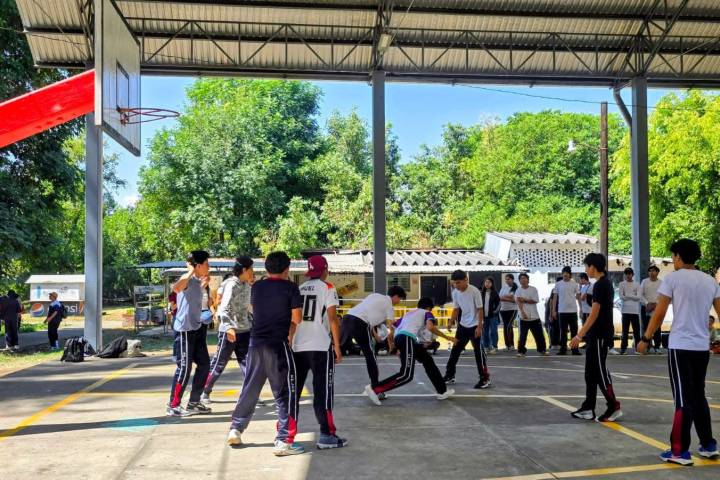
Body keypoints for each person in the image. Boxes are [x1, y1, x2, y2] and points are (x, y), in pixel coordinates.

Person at [637, 238, 720, 465]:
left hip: (680, 346)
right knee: (698, 394)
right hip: (701, 347)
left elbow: (660, 313)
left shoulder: (672, 279)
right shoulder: (710, 281)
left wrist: (645, 338)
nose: (673, 260)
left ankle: (679, 451)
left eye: (673, 256)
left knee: (683, 397)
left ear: (678, 257)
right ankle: (708, 444)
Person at [227, 251, 304, 456]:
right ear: (287, 269)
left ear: (267, 268)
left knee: (250, 388)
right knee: (285, 393)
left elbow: (253, 308)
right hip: (277, 345)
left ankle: (236, 428)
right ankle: (284, 441)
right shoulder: (290, 287)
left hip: (255, 344)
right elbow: (297, 318)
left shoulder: (257, 287)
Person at [292, 255, 348, 449]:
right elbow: (333, 319)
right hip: (320, 346)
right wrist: (337, 346)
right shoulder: (328, 288)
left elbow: (293, 320)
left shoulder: (299, 288)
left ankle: (286, 435)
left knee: (294, 392)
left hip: (298, 346)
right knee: (322, 391)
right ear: (325, 270)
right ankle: (326, 434)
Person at [366, 297, 457, 405]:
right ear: (429, 308)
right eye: (431, 309)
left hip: (403, 339)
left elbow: (391, 331)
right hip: (407, 339)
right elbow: (430, 327)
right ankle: (375, 389)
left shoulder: (408, 314)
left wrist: (393, 347)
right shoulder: (427, 313)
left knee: (428, 360)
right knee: (406, 375)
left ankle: (442, 391)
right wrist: (448, 338)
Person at [569, 253, 622, 423]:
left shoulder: (601, 285)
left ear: (593, 267)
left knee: (600, 371)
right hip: (595, 334)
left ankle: (613, 406)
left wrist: (579, 335)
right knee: (590, 373)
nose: (586, 270)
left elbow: (594, 313)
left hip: (600, 335)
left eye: (586, 267)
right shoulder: (602, 283)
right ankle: (588, 408)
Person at [201, 256, 254, 405]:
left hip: (244, 330)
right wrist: (229, 327)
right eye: (251, 269)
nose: (253, 272)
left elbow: (246, 308)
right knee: (219, 363)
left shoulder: (247, 285)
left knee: (248, 363)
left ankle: (251, 393)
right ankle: (204, 391)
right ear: (244, 270)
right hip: (229, 332)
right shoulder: (231, 284)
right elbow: (223, 309)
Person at [167, 250, 212, 417]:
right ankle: (173, 405)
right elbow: (177, 288)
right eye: (206, 264)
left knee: (205, 365)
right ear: (198, 266)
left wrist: (203, 285)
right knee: (184, 368)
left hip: (197, 328)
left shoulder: (196, 282)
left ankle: (194, 402)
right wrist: (191, 270)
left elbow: (191, 298)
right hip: (185, 330)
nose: (209, 267)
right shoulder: (187, 279)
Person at [340, 286, 405, 389]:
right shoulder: (389, 306)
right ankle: (375, 386)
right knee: (370, 355)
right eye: (400, 299)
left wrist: (374, 335)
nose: (399, 302)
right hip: (360, 323)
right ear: (396, 296)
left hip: (347, 318)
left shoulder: (374, 295)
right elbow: (390, 329)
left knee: (339, 348)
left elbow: (368, 317)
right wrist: (392, 345)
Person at [444, 270, 491, 389]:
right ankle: (450, 375)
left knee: (478, 353)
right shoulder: (455, 292)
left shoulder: (474, 291)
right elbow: (456, 309)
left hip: (475, 326)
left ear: (466, 280)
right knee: (455, 351)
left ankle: (484, 378)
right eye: (454, 283)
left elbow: (480, 309)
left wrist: (479, 327)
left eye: (458, 282)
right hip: (463, 326)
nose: (456, 285)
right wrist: (451, 321)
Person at [515, 273, 548, 357]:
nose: (523, 280)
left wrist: (524, 299)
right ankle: (521, 351)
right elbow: (518, 301)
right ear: (519, 281)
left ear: (528, 279)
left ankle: (542, 350)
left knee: (539, 335)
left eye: (524, 278)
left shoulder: (533, 289)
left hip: (534, 316)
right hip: (523, 317)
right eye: (521, 278)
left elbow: (535, 300)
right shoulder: (518, 290)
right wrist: (522, 312)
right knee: (522, 336)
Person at [552, 266, 581, 355]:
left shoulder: (575, 284)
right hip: (562, 311)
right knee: (563, 331)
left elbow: (578, 297)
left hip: (573, 311)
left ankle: (575, 349)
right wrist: (553, 310)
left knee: (574, 331)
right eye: (564, 274)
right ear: (562, 274)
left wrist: (581, 309)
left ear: (570, 275)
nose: (565, 275)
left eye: (567, 274)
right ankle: (563, 349)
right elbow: (555, 298)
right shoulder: (558, 284)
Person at [619, 267, 642, 355]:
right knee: (625, 331)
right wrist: (633, 295)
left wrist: (627, 295)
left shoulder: (637, 284)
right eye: (626, 274)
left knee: (637, 331)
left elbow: (638, 297)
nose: (628, 275)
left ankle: (638, 349)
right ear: (624, 275)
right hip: (625, 311)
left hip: (635, 311)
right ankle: (623, 349)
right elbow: (621, 297)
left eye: (629, 274)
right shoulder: (621, 284)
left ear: (632, 275)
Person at [641, 265, 663, 354]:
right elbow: (640, 294)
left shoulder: (661, 283)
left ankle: (657, 347)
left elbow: (662, 295)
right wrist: (647, 303)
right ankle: (647, 346)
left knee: (657, 327)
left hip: (657, 307)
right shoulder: (644, 281)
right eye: (650, 271)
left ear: (657, 272)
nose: (651, 272)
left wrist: (655, 304)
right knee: (646, 327)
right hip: (646, 307)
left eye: (653, 271)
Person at [498, 274, 518, 351]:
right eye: (506, 279)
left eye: (508, 279)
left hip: (513, 310)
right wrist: (509, 297)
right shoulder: (503, 288)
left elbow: (515, 300)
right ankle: (508, 346)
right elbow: (499, 297)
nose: (507, 281)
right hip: (503, 310)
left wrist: (505, 298)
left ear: (512, 279)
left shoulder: (516, 288)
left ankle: (511, 345)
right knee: (506, 327)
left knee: (508, 326)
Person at [481, 277, 501, 354]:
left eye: (489, 282)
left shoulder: (495, 293)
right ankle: (486, 347)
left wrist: (494, 312)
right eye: (486, 282)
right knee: (484, 332)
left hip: (493, 316)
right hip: (484, 317)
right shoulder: (481, 293)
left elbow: (499, 304)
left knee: (493, 332)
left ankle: (494, 347)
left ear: (492, 284)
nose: (487, 284)